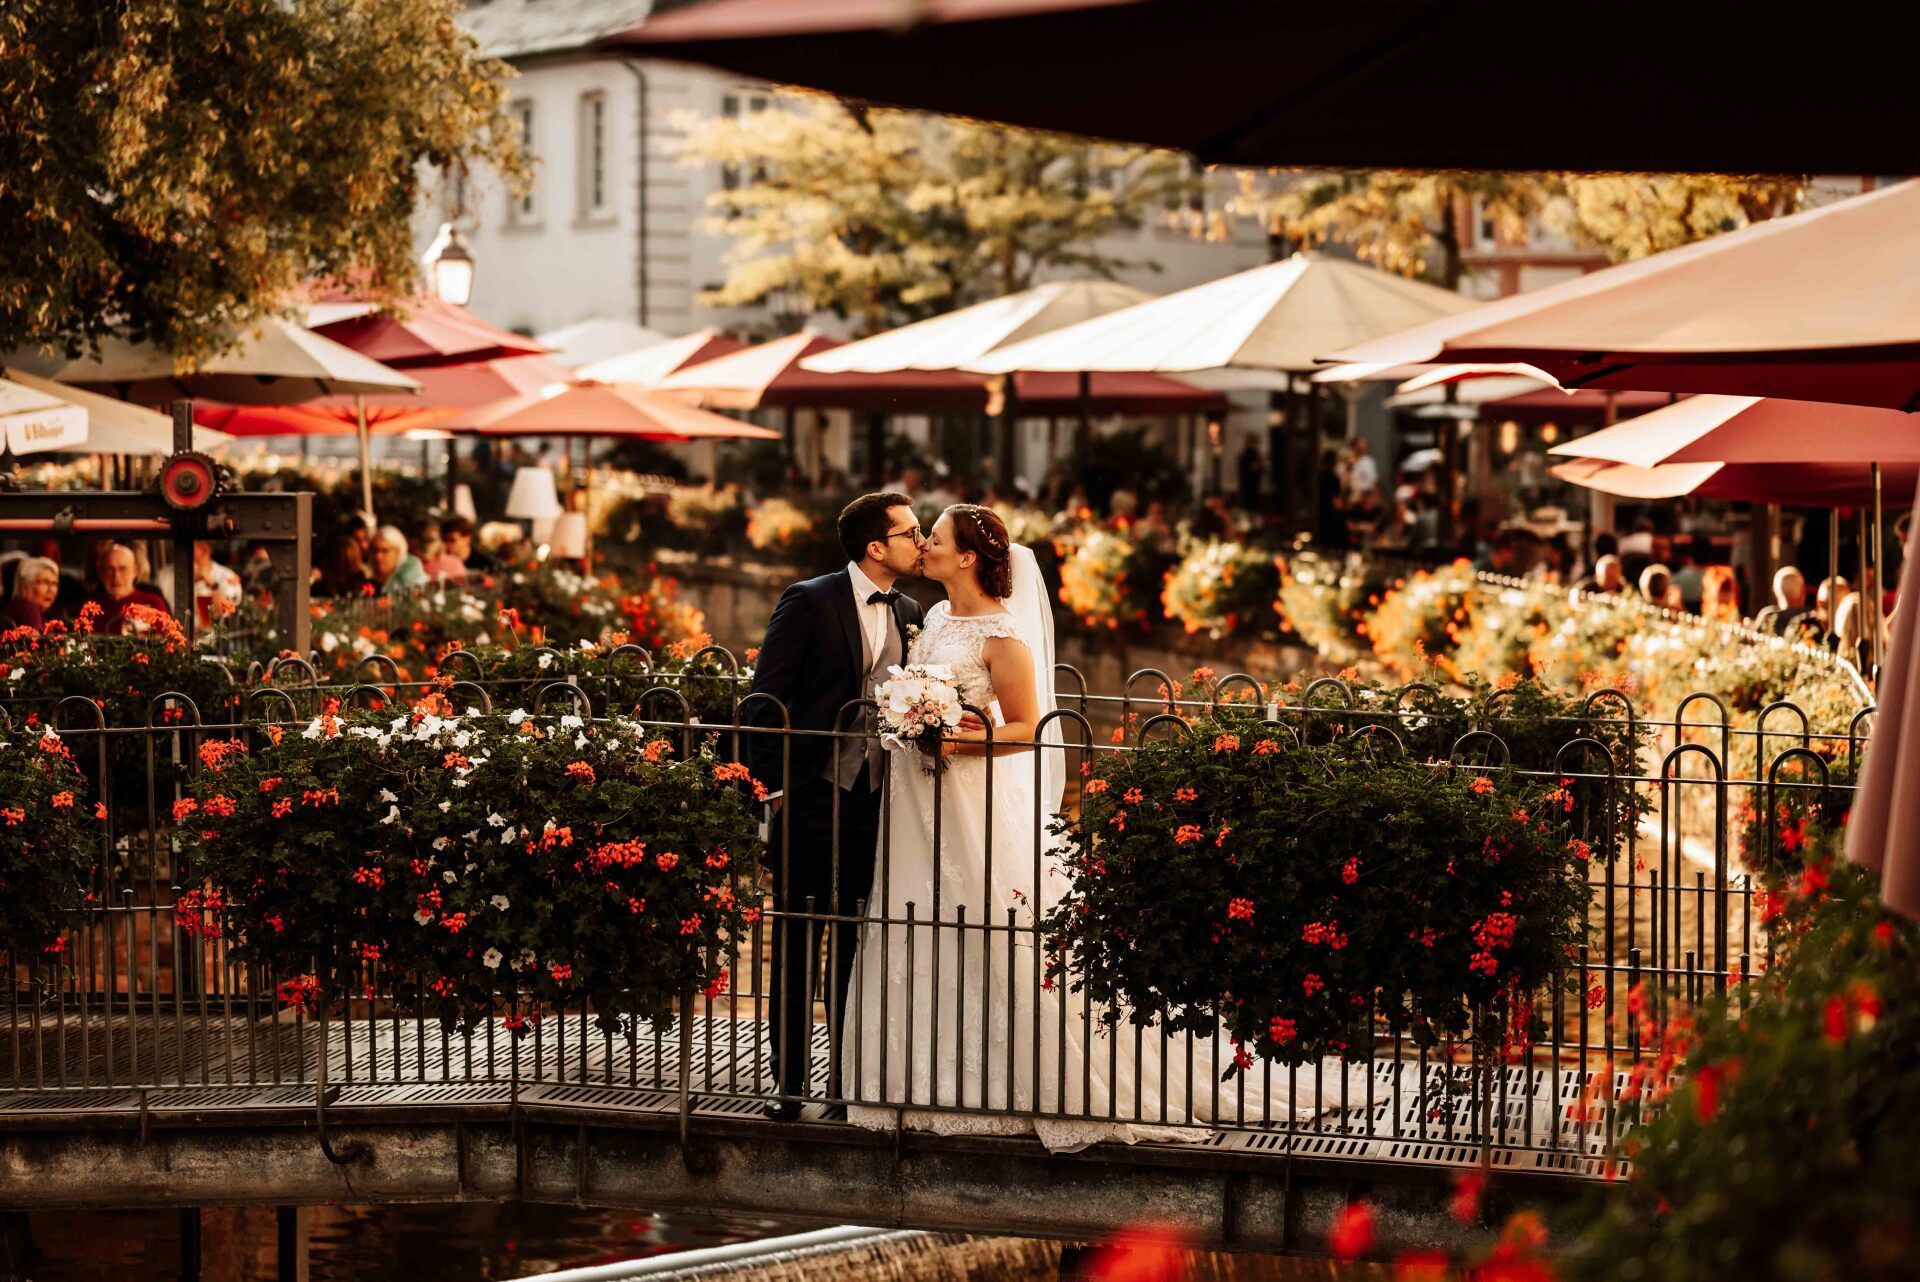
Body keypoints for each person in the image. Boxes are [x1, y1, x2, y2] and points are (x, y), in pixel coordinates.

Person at [840, 503, 1336, 1151]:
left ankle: (1018, 1079)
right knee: (920, 915)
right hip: (917, 801)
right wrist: (911, 716)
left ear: (966, 558)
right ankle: (914, 1077)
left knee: (992, 927)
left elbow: (1027, 729)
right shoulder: (932, 617)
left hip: (969, 795)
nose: (923, 546)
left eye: (933, 539)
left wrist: (957, 741)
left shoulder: (1003, 637)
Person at [744, 492, 928, 1121]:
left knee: (857, 943)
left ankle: (845, 1085)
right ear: (876, 547)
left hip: (880, 801)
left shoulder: (912, 611)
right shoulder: (809, 600)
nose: (920, 540)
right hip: (812, 795)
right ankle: (789, 1084)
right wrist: (774, 788)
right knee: (799, 939)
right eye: (910, 532)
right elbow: (766, 699)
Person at [87, 543, 172, 631]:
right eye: (110, 569)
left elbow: (168, 638)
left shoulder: (153, 603)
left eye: (122, 569)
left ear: (135, 571)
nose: (116, 576)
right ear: (101, 573)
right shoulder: (90, 607)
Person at [192, 542, 243, 626]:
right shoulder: (166, 575)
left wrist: (209, 582)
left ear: (204, 550)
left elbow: (226, 610)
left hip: (208, 637)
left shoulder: (228, 576)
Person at [3, 556, 59, 631]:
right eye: (45, 582)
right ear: (25, 585)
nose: (51, 590)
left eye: (54, 584)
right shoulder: (29, 608)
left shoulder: (16, 606)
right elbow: (35, 641)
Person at [372, 525, 428, 594]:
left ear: (398, 551)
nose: (378, 557)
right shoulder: (370, 574)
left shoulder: (411, 569)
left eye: (385, 551)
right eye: (375, 551)